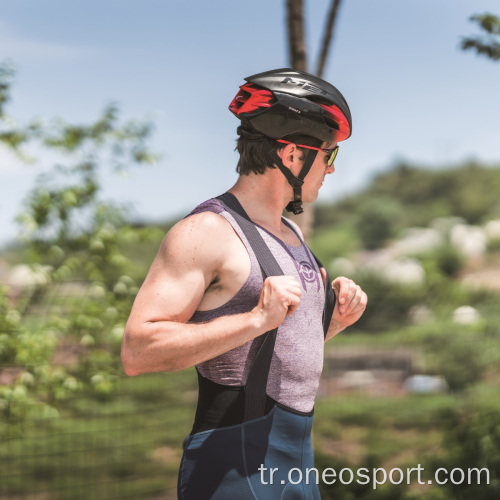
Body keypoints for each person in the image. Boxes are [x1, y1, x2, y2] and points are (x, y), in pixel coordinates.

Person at [121, 68, 367, 500]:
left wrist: (333, 322)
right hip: (233, 464)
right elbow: (138, 351)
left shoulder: (291, 234)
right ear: (293, 155)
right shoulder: (205, 232)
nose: (330, 171)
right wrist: (255, 319)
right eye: (329, 156)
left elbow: (272, 350)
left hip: (297, 460)